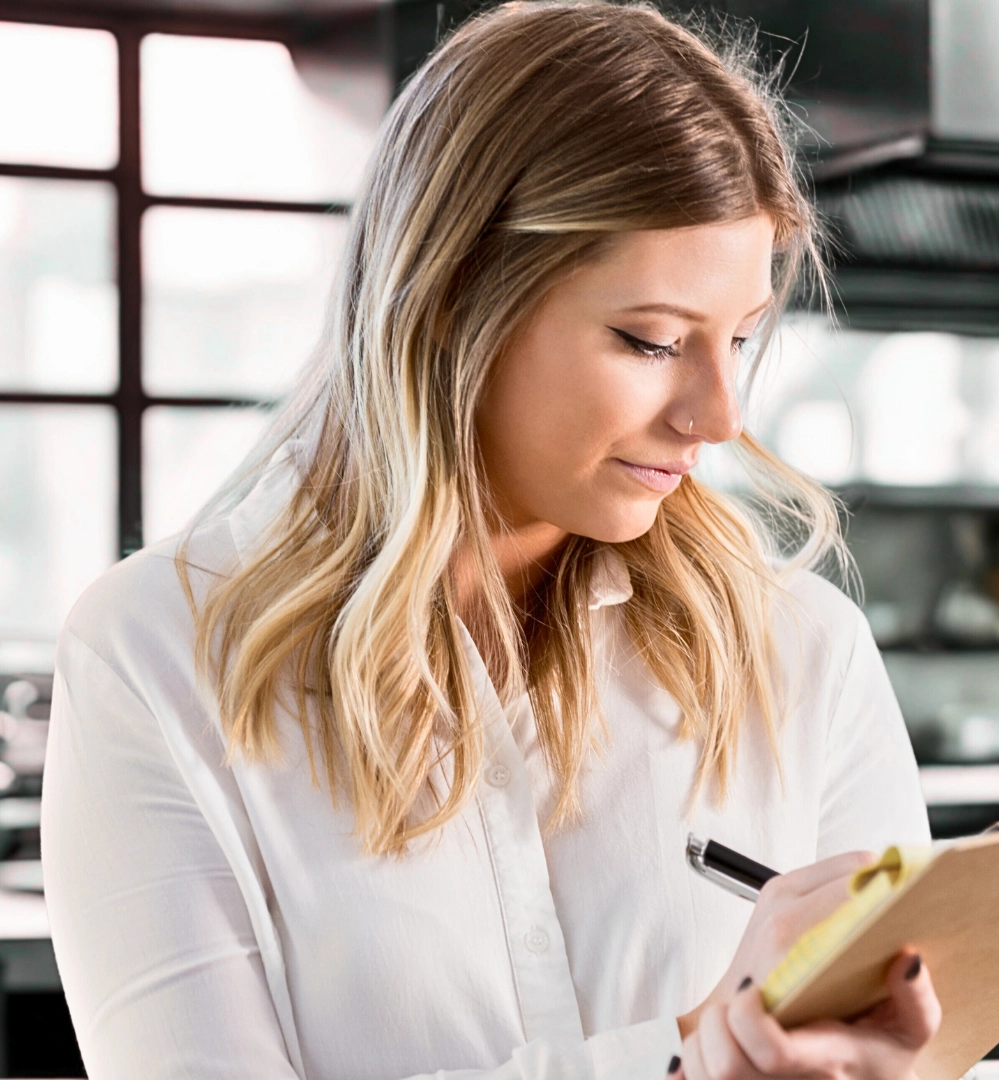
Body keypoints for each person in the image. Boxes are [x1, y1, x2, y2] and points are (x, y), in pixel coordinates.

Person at [41, 4, 938, 1078]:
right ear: (455, 298)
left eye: (738, 339)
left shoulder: (804, 650)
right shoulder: (158, 658)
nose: (717, 413)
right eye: (650, 340)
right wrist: (687, 1059)